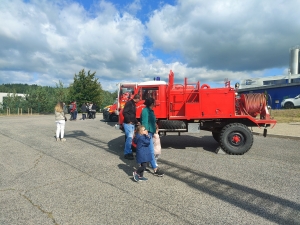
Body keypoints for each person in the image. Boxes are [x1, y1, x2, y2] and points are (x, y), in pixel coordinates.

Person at [140, 97, 164, 176]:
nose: (155, 104)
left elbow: (152, 121)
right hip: (148, 133)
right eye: (154, 102)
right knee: (150, 151)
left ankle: (143, 166)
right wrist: (146, 132)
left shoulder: (150, 111)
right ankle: (155, 169)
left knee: (147, 150)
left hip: (151, 132)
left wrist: (155, 126)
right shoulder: (145, 111)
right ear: (151, 104)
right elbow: (144, 122)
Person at [123, 94, 140, 160]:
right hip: (128, 124)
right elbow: (125, 112)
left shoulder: (132, 104)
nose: (139, 101)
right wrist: (128, 120)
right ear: (137, 98)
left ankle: (129, 152)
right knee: (129, 139)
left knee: (130, 139)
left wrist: (136, 122)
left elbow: (132, 115)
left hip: (131, 123)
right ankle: (127, 153)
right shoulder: (129, 103)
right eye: (139, 100)